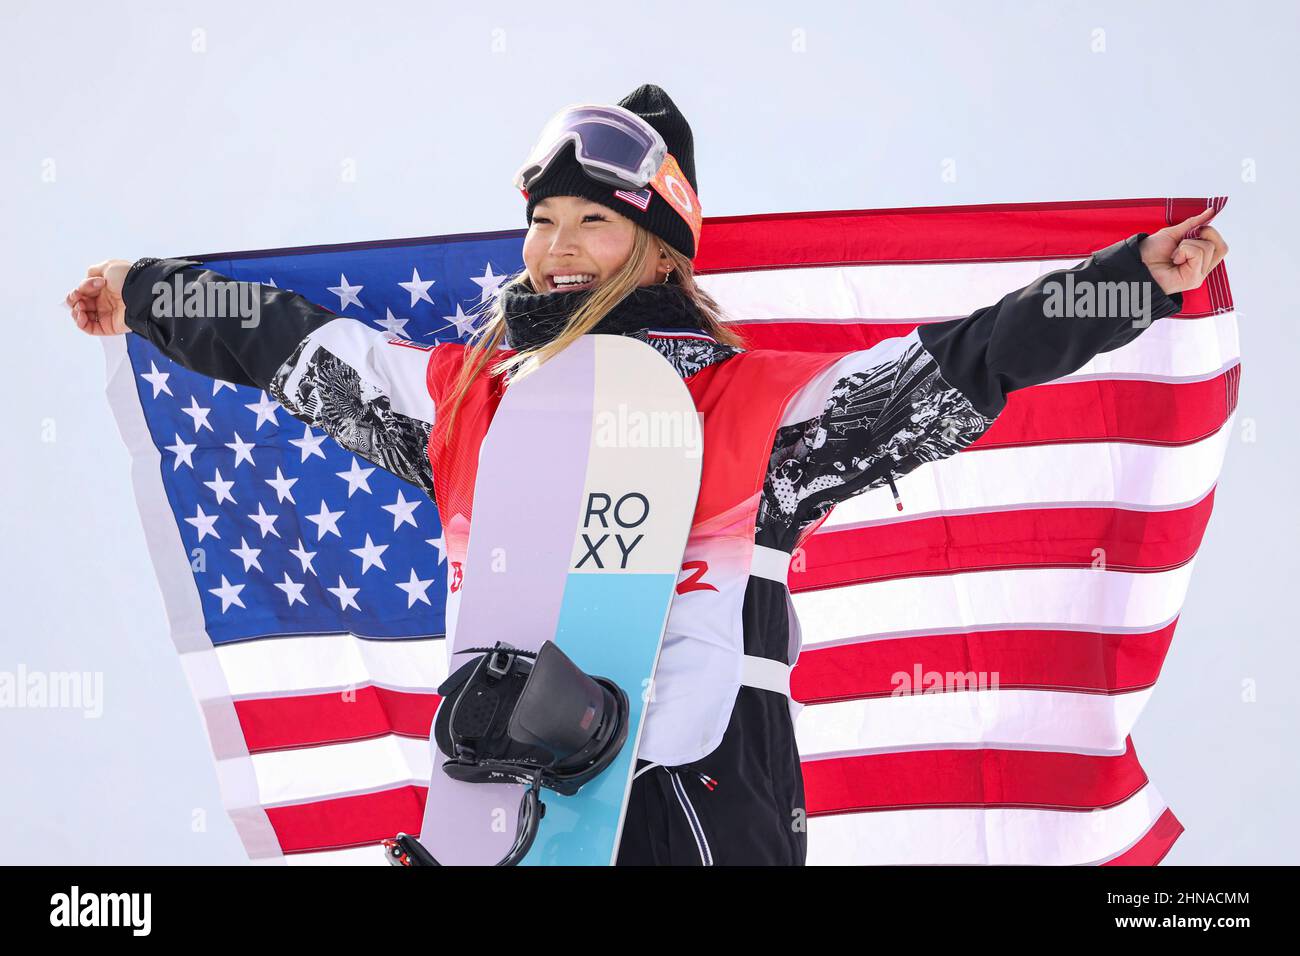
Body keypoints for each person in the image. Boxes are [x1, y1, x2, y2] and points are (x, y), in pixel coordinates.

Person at [66, 83, 1228, 866]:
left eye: (593, 221)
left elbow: (969, 358)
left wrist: (1130, 280)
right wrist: (151, 291)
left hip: (707, 786)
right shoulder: (465, 403)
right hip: (511, 795)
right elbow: (291, 348)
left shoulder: (760, 407)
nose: (557, 245)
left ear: (659, 250)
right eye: (543, 221)